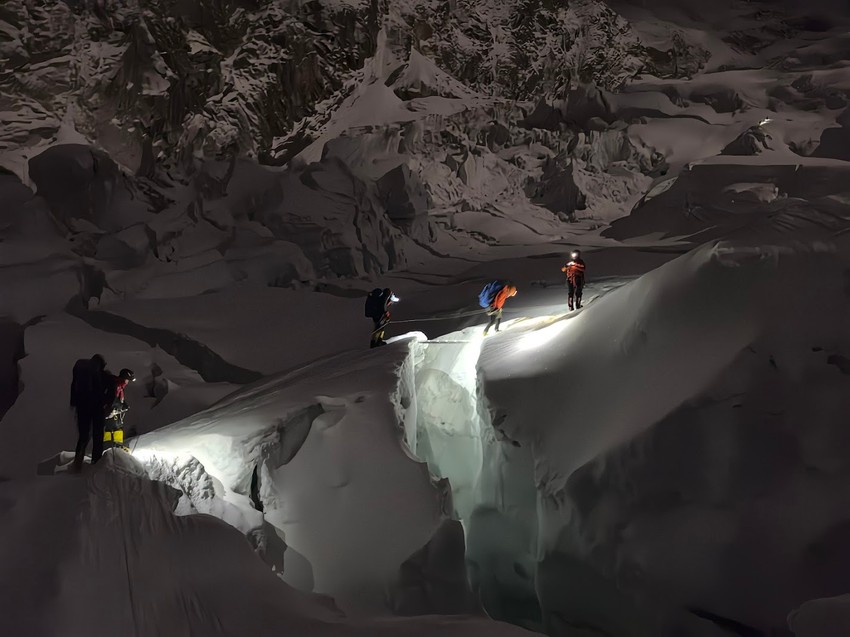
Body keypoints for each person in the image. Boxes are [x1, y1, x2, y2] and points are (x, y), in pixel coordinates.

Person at [69, 354, 108, 470]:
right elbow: (101, 391)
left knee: (83, 436)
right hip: (96, 408)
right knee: (97, 434)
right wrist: (104, 404)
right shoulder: (100, 374)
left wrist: (73, 403)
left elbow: (73, 387)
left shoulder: (80, 371)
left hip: (81, 407)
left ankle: (78, 462)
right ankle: (96, 461)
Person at [103, 368, 135, 451]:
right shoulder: (116, 385)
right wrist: (120, 406)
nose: (127, 382)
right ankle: (114, 449)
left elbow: (119, 399)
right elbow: (112, 400)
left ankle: (110, 448)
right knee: (115, 428)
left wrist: (124, 405)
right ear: (124, 378)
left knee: (113, 429)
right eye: (127, 380)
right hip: (111, 412)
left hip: (113, 412)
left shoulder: (119, 385)